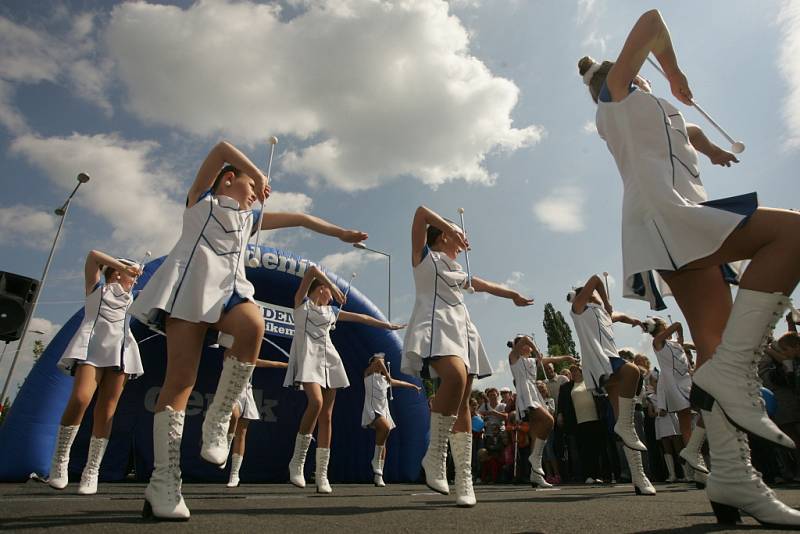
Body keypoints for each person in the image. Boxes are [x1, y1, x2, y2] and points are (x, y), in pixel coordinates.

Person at [579, 8, 800, 525]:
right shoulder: (614, 99)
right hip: (666, 216)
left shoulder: (664, 113)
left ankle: (731, 477)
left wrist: (717, 151)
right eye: (645, 72)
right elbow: (653, 20)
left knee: (717, 349)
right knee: (792, 231)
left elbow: (693, 133)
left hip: (691, 221)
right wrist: (676, 73)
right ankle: (729, 377)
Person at [130, 140, 367, 521]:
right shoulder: (200, 203)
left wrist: (340, 234)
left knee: (253, 323)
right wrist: (257, 171)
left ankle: (218, 420)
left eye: (259, 190)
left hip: (229, 293)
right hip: (189, 292)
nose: (258, 193)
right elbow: (222, 148)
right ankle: (164, 482)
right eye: (252, 187)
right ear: (227, 180)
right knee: (179, 383)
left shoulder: (248, 221)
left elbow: (302, 220)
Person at [402, 205, 534, 507]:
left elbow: (485, 284)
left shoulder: (459, 272)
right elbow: (420, 212)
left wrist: (512, 294)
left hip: (463, 330)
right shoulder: (423, 257)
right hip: (435, 325)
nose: (462, 241)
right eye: (453, 235)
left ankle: (463, 479)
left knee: (462, 402)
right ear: (443, 236)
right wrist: (450, 227)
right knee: (455, 376)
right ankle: (435, 455)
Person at [285, 265, 404, 494]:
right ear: (322, 289)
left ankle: (321, 474)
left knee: (327, 417)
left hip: (329, 359)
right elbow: (311, 270)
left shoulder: (331, 313)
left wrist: (387, 326)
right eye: (329, 290)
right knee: (316, 403)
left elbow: (362, 318)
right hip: (308, 358)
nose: (333, 295)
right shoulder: (302, 304)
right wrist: (332, 285)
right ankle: (297, 463)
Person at [49, 250, 144, 495]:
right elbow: (92, 255)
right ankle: (60, 461)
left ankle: (92, 470)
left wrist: (131, 272)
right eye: (129, 274)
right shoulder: (96, 289)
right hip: (90, 349)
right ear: (116, 272)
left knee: (107, 411)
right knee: (81, 399)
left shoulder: (131, 297)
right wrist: (123, 266)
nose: (133, 278)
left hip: (120, 352)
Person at [567, 274, 655, 495]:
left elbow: (622, 316)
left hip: (611, 362)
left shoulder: (605, 315)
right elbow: (596, 278)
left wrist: (636, 321)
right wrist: (606, 301)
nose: (595, 294)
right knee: (633, 370)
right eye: (591, 293)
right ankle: (624, 428)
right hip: (599, 362)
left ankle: (639, 477)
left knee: (626, 425)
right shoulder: (579, 308)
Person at [507, 335, 575, 487]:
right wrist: (537, 350)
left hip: (533, 393)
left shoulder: (531, 361)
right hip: (526, 395)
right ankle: (535, 460)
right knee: (549, 420)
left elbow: (552, 359)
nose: (526, 345)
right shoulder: (514, 357)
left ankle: (535, 474)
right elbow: (524, 338)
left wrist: (567, 357)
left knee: (535, 433)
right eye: (520, 344)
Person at [643, 318, 708, 478]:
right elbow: (678, 324)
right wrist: (680, 336)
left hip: (687, 382)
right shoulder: (658, 342)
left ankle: (694, 455)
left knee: (705, 413)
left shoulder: (674, 344)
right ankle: (698, 468)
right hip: (674, 385)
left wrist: (682, 341)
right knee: (685, 422)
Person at [224, 355, 289, 488]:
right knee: (233, 415)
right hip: (230, 392)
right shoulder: (230, 353)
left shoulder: (251, 357)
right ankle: (225, 448)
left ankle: (234, 474)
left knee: (241, 434)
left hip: (246, 393)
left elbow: (272, 363)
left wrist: (288, 365)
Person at [361, 353, 422, 487]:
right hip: (373, 410)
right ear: (371, 363)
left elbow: (400, 382)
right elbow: (378, 363)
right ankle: (375, 461)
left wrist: (413, 386)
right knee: (385, 428)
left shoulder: (384, 380)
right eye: (378, 361)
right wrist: (388, 375)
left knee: (383, 443)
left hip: (384, 411)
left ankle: (379, 475)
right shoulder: (368, 374)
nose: (381, 363)